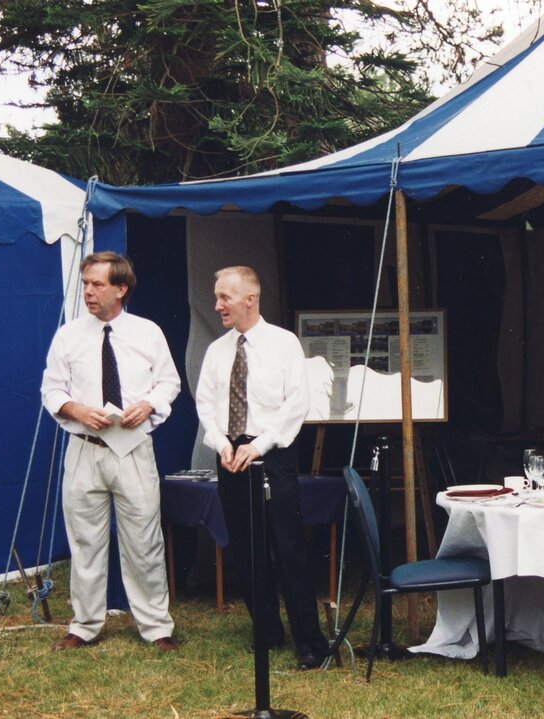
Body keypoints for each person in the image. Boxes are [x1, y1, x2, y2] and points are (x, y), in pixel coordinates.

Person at [41, 251, 180, 652]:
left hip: (133, 449)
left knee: (144, 540)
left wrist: (148, 404)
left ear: (121, 288)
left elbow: (168, 383)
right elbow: (51, 390)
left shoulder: (147, 333)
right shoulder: (68, 335)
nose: (88, 291)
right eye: (85, 283)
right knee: (84, 540)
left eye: (97, 284)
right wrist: (77, 410)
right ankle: (84, 624)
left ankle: (156, 627)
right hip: (84, 449)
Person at [195, 266, 329, 670]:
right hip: (230, 456)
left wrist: (260, 445)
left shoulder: (283, 344)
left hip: (272, 452)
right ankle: (267, 631)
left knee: (287, 548)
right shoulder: (218, 350)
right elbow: (206, 404)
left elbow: (296, 403)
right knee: (245, 549)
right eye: (217, 297)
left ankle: (311, 642)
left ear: (250, 299)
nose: (217, 305)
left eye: (225, 297)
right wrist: (222, 444)